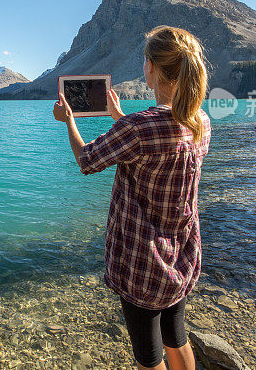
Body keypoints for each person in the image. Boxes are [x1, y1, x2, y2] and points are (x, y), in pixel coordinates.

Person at [53, 26, 211, 370]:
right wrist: (117, 116)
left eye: (144, 60)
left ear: (151, 67)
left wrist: (69, 121)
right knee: (176, 337)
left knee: (147, 357)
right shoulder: (200, 122)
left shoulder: (139, 127)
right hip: (181, 256)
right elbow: (158, 142)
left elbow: (87, 160)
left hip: (144, 262)